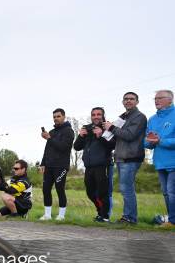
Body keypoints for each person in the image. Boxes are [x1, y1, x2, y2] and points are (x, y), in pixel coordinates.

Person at [103, 92, 147, 224]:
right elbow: (117, 136)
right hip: (121, 157)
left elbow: (129, 135)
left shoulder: (139, 117)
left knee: (127, 189)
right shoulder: (123, 117)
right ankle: (128, 217)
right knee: (125, 188)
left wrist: (111, 127)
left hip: (131, 157)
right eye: (126, 99)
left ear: (137, 102)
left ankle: (130, 218)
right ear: (123, 102)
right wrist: (106, 132)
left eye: (132, 99)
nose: (128, 101)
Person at [73, 107, 115, 222]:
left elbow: (112, 145)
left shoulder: (108, 128)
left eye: (98, 114)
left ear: (103, 115)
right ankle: (100, 212)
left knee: (103, 192)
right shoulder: (87, 128)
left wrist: (100, 135)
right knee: (90, 192)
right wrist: (81, 136)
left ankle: (105, 216)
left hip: (103, 165)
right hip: (89, 166)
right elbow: (76, 147)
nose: (96, 116)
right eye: (93, 114)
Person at [145, 90, 175, 228]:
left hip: (173, 161)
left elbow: (161, 140)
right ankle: (171, 220)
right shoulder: (152, 119)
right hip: (160, 162)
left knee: (171, 191)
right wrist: (150, 141)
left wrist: (161, 141)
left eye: (160, 98)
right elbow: (146, 142)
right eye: (155, 98)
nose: (156, 100)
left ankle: (172, 222)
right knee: (166, 193)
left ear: (170, 100)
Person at [39, 108, 74, 221]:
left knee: (60, 189)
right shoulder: (52, 132)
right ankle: (47, 215)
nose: (56, 119)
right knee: (46, 189)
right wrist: (43, 163)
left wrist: (49, 138)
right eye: (54, 117)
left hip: (61, 166)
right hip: (49, 165)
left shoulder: (69, 131)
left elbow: (63, 147)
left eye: (58, 116)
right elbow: (47, 149)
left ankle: (61, 215)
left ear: (64, 117)